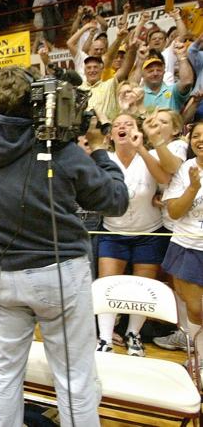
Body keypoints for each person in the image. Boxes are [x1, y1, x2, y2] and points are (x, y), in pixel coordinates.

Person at [0, 66, 129, 426]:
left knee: (3, 372)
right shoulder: (59, 149)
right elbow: (115, 200)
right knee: (75, 378)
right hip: (58, 274)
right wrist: (99, 149)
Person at [95, 113, 171, 356]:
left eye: (129, 124)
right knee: (107, 285)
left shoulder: (151, 156)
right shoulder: (105, 158)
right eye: (117, 124)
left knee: (143, 287)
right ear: (111, 134)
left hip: (148, 232)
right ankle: (105, 338)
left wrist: (142, 149)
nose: (123, 127)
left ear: (138, 130)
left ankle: (133, 335)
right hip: (112, 231)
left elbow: (164, 179)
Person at [159, 121, 203, 363]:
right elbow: (174, 212)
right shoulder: (186, 169)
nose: (200, 140)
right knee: (195, 308)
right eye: (196, 135)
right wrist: (193, 188)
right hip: (187, 246)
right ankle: (198, 358)